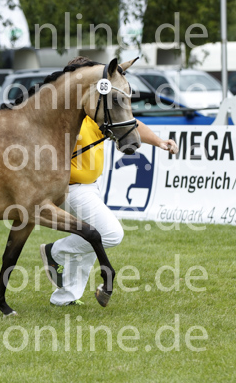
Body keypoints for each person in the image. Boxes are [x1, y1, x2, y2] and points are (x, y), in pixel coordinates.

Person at [40, 56, 179, 306]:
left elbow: (131, 122)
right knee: (111, 234)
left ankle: (65, 297)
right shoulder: (66, 114)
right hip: (72, 190)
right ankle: (56, 252)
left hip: (92, 186)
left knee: (88, 241)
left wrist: (159, 142)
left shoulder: (97, 109)